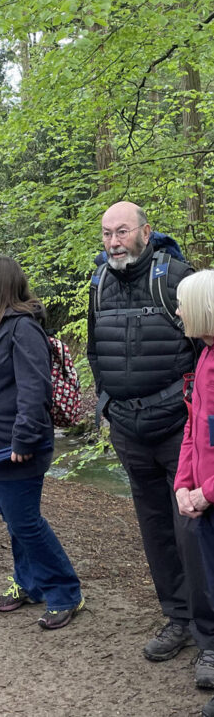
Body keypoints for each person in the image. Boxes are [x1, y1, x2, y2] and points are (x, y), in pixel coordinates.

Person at [88, 202, 214, 680]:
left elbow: (202, 341)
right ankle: (177, 617)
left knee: (195, 533)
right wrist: (106, 403)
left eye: (122, 232)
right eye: (106, 234)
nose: (114, 242)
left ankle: (210, 639)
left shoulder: (175, 278)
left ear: (145, 232)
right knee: (156, 530)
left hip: (178, 430)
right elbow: (95, 348)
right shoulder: (99, 284)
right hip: (127, 427)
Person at [0, 255, 84, 630]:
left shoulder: (22, 328)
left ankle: (65, 591)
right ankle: (29, 583)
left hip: (15, 446)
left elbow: (34, 390)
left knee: (26, 522)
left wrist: (24, 437)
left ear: (0, 285)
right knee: (15, 522)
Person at [174, 271, 214, 717]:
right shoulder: (204, 354)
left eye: (185, 303)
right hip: (203, 498)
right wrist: (183, 483)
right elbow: (194, 425)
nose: (179, 311)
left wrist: (207, 492)